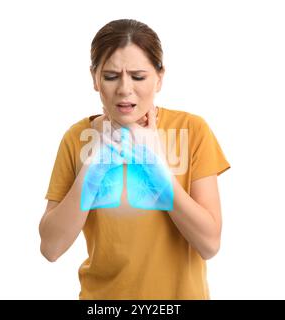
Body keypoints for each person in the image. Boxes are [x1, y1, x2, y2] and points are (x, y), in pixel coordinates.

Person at [39, 18, 231, 300]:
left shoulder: (192, 130)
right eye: (111, 76)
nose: (125, 89)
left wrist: (155, 167)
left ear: (159, 77)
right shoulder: (77, 137)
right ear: (94, 78)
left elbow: (209, 243)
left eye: (138, 77)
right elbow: (51, 248)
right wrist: (92, 171)